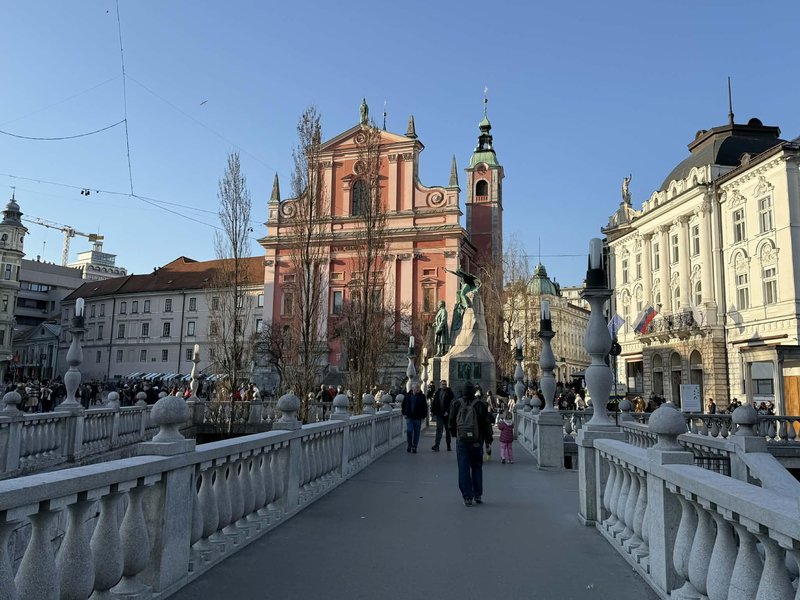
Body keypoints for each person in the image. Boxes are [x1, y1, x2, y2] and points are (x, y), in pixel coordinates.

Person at [449, 383, 493, 506]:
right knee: (477, 467)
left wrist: (456, 435)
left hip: (461, 440)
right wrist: (488, 441)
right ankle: (477, 494)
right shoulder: (480, 404)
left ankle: (467, 496)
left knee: (463, 468)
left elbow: (451, 423)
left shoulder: (456, 404)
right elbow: (486, 425)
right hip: (477, 441)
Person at [401, 381, 428, 453]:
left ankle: (414, 446)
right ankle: (409, 444)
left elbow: (425, 407)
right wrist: (404, 413)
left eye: (418, 387)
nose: (418, 389)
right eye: (416, 387)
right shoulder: (408, 395)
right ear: (412, 388)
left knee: (417, 432)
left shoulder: (422, 396)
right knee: (409, 431)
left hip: (418, 417)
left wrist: (424, 416)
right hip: (409, 416)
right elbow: (403, 405)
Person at [431, 379, 454, 451]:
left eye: (445, 384)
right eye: (443, 384)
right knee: (439, 430)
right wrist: (433, 411)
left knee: (448, 430)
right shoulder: (438, 392)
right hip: (439, 414)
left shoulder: (450, 393)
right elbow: (434, 402)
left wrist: (448, 411)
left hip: (447, 415)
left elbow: (452, 403)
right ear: (440, 385)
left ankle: (448, 445)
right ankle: (437, 445)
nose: (444, 385)